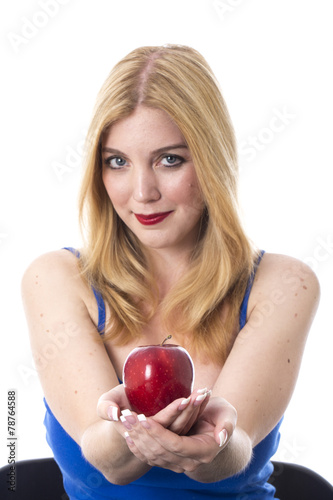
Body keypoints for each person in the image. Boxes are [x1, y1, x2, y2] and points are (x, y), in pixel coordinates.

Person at [21, 44, 320, 499]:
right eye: (117, 161)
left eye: (170, 160)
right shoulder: (57, 278)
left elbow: (227, 457)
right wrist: (132, 433)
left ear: (212, 162)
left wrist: (211, 444)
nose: (142, 192)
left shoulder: (283, 284)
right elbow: (109, 463)